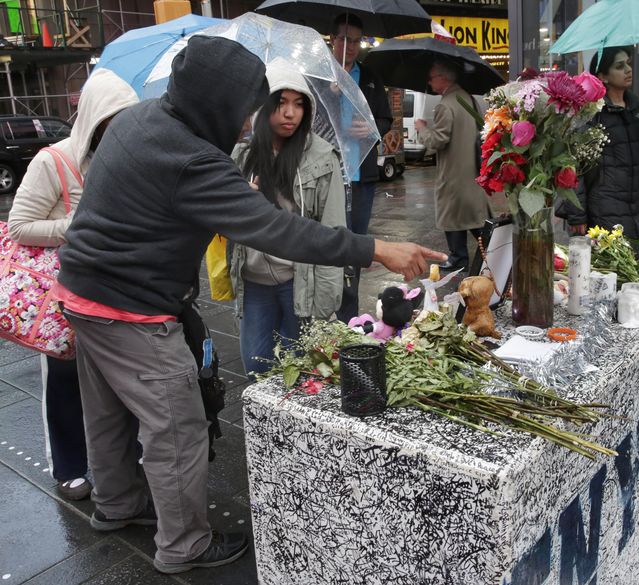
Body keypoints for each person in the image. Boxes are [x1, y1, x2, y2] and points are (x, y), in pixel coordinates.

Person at [55, 36, 444, 575]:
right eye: (245, 109)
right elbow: (277, 231)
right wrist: (377, 248)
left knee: (105, 415)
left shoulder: (140, 119)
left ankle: (117, 505)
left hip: (80, 292)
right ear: (215, 103)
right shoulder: (191, 159)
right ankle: (184, 545)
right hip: (132, 309)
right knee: (176, 427)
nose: (248, 123)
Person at [7, 69, 139, 502]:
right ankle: (67, 467)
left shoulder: (128, 156)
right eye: (111, 121)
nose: (120, 129)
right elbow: (21, 226)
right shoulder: (54, 160)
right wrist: (79, 225)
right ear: (94, 118)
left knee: (119, 379)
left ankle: (121, 458)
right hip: (64, 292)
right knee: (64, 380)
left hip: (118, 286)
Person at [229, 60, 346, 377]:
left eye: (298, 104)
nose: (290, 113)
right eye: (280, 103)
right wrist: (243, 202)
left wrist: (326, 300)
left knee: (300, 368)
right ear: (261, 107)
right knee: (256, 365)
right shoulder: (240, 157)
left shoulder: (322, 157)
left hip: (300, 282)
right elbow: (221, 222)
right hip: (254, 282)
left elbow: (334, 229)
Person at [556, 46, 639, 240]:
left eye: (628, 63)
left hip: (634, 205)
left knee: (632, 262)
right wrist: (577, 216)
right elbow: (574, 167)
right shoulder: (591, 113)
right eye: (620, 66)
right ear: (603, 76)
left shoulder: (637, 107)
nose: (628, 69)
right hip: (603, 209)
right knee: (608, 268)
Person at [330, 13, 393, 324]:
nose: (349, 46)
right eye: (343, 39)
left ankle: (348, 315)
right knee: (323, 242)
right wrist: (328, 94)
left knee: (355, 246)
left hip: (360, 178)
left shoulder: (369, 77)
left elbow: (385, 119)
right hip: (326, 176)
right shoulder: (318, 76)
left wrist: (369, 129)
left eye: (355, 41)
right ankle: (318, 308)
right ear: (332, 39)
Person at [415, 59, 491, 271]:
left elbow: (436, 141)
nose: (429, 83)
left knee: (454, 215)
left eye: (431, 78)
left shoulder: (445, 105)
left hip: (453, 173)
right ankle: (489, 253)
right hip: (471, 169)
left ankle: (459, 257)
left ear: (443, 78)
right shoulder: (467, 98)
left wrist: (422, 129)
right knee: (473, 216)